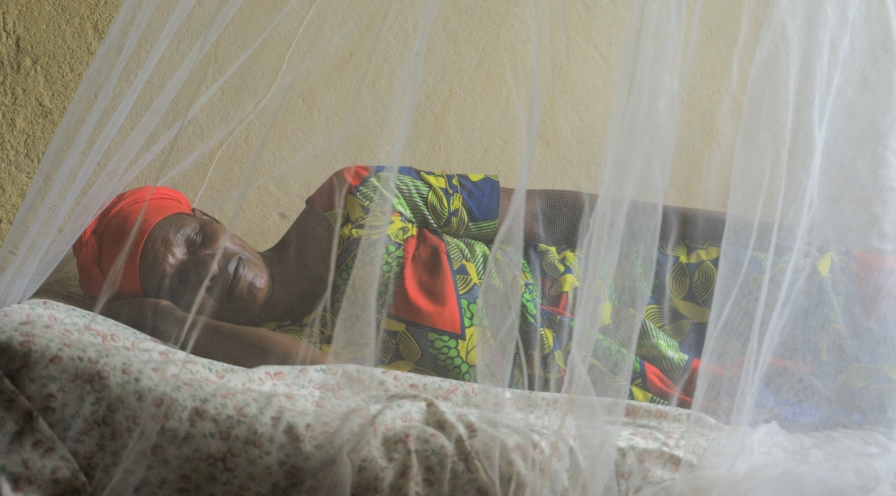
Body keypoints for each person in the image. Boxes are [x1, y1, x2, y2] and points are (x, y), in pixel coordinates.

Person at [74, 166, 725, 404]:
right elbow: (328, 377)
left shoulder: (357, 198)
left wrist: (714, 235)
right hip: (601, 392)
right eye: (177, 283)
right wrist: (160, 324)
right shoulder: (270, 354)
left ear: (209, 217)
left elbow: (540, 213)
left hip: (648, 299)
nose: (205, 268)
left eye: (189, 243)